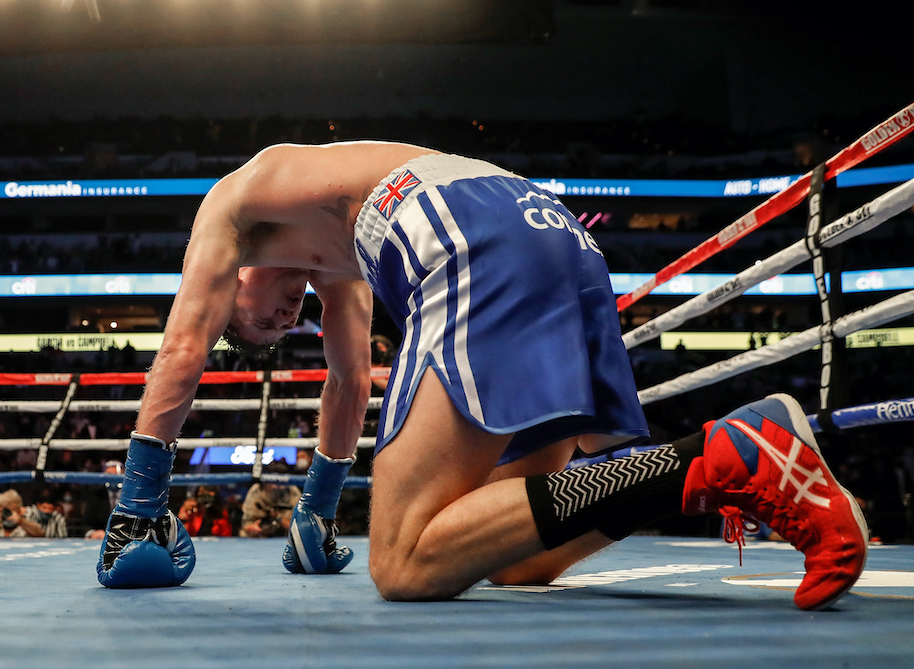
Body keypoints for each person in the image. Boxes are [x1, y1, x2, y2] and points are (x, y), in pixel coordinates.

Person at [95, 141, 867, 610]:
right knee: (512, 556)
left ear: (232, 279)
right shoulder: (330, 249)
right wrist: (315, 514)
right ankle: (711, 463)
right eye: (280, 328)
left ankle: (722, 451)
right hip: (547, 230)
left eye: (260, 316)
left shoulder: (234, 203)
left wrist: (134, 510)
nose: (287, 314)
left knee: (400, 561)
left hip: (470, 233)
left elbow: (181, 350)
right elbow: (348, 380)